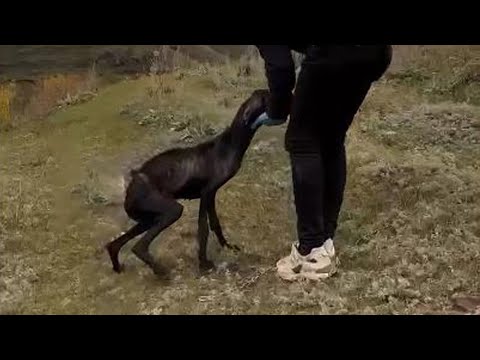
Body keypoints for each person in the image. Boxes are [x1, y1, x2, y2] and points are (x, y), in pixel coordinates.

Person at [252, 45, 392, 281]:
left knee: (302, 140)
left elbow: (281, 67)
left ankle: (312, 248)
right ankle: (324, 243)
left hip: (335, 53)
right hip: (374, 54)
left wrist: (277, 109)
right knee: (331, 138)